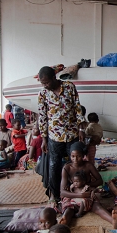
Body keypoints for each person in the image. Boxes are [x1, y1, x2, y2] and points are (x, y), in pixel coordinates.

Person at [37, 66, 87, 204]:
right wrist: (44, 139)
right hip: (54, 136)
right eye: (42, 83)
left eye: (47, 82)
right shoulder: (43, 94)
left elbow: (77, 108)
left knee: (74, 164)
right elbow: (42, 117)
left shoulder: (69, 87)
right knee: (54, 165)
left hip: (71, 133)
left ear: (54, 78)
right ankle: (54, 195)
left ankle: (73, 191)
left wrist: (81, 129)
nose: (45, 86)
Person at [59, 142, 117, 228]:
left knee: (97, 207)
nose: (75, 159)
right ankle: (63, 222)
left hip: (87, 196)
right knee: (68, 210)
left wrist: (86, 186)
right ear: (70, 155)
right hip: (73, 196)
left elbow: (99, 181)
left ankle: (113, 220)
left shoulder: (88, 165)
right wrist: (80, 194)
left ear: (83, 155)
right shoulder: (67, 168)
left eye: (78, 156)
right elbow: (62, 192)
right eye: (73, 156)